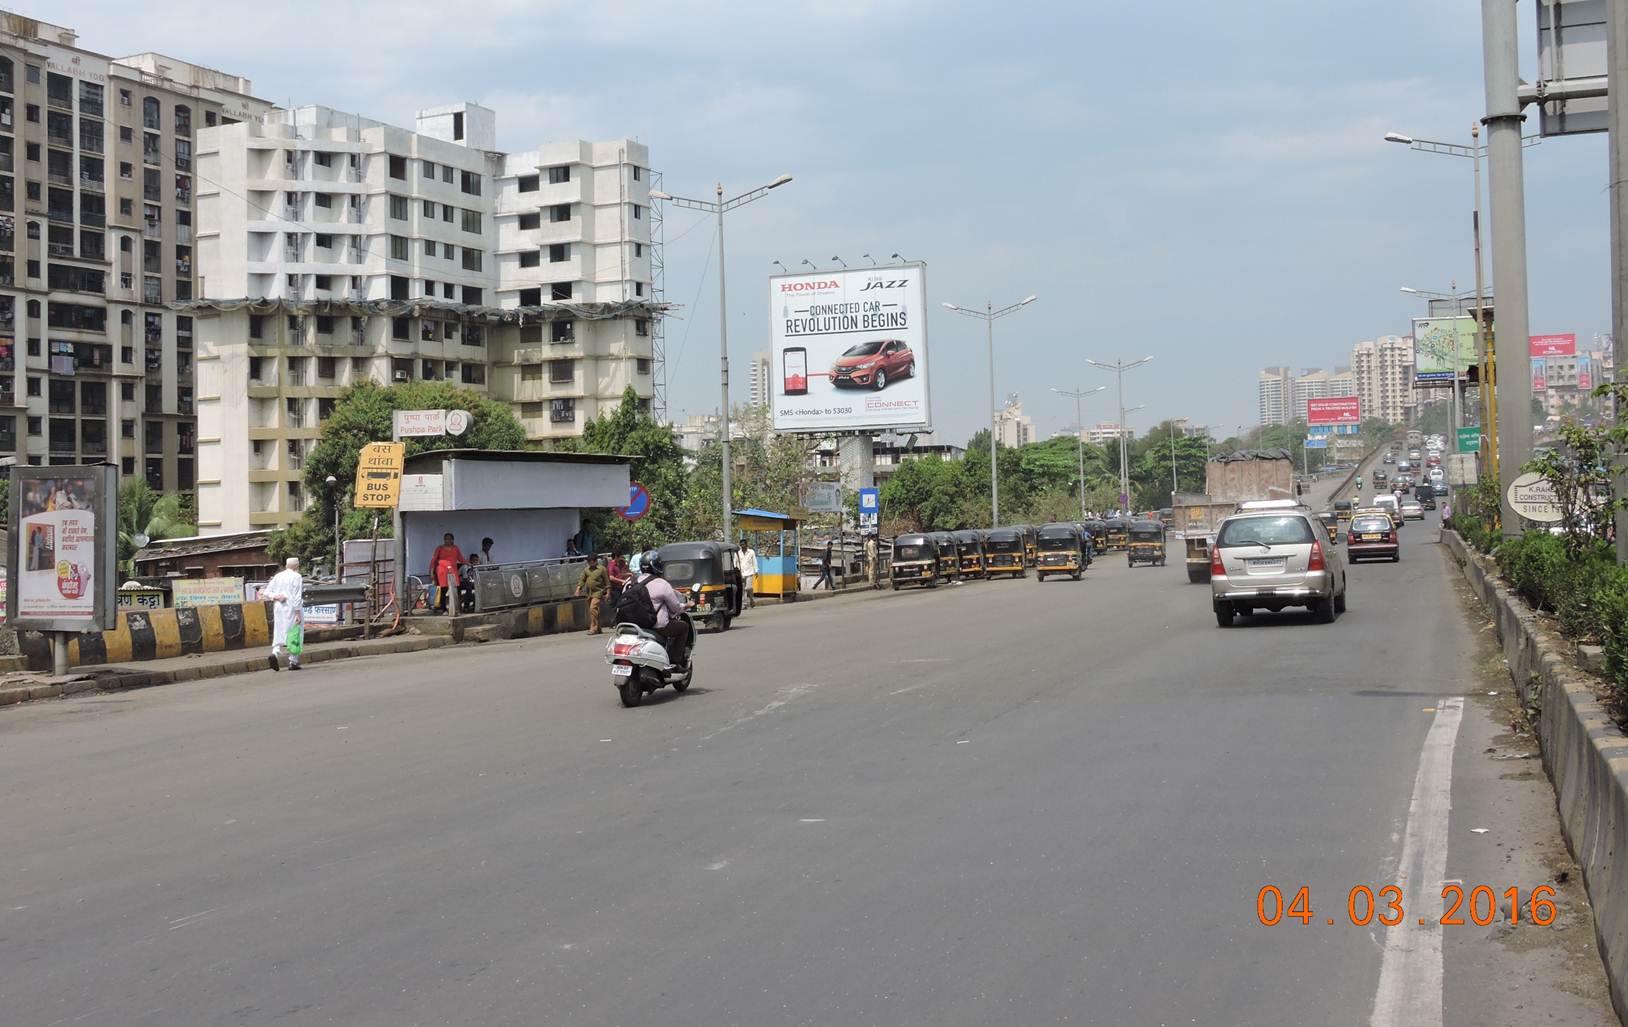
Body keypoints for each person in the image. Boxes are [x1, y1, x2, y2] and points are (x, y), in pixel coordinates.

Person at [637, 551, 688, 666]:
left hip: (634, 625)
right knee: (684, 627)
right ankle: (676, 662)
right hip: (657, 626)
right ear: (657, 566)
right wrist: (686, 605)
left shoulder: (630, 582)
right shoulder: (662, 584)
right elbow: (675, 608)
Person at [263, 556, 305, 672]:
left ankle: (275, 653)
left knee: (279, 631)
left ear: (286, 565)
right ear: (297, 566)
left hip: (279, 607)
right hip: (292, 607)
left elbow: (266, 592)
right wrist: (297, 613)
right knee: (295, 633)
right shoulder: (297, 576)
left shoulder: (278, 576)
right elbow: (297, 596)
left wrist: (275, 596)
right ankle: (293, 661)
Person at [429, 533, 466, 614]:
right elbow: (433, 560)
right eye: (446, 539)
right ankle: (444, 609)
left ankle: (457, 608)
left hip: (453, 570)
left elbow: (461, 558)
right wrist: (431, 572)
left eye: (449, 539)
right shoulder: (439, 548)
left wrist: (468, 563)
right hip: (442, 571)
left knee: (456, 589)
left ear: (453, 540)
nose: (447, 540)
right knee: (444, 589)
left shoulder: (455, 548)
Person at [576, 553, 610, 634]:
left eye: (591, 561)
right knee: (593, 611)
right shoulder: (586, 570)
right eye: (588, 562)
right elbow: (582, 580)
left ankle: (593, 628)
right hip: (589, 593)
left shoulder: (602, 569)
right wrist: (578, 589)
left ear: (595, 561)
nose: (589, 563)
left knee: (593, 608)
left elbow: (607, 582)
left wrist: (608, 593)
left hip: (598, 592)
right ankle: (598, 628)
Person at [739, 540, 758, 609]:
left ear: (746, 545)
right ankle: (744, 604)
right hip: (741, 573)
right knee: (743, 589)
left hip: (749, 572)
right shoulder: (738, 553)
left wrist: (756, 571)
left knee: (748, 587)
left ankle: (751, 600)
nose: (742, 546)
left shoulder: (751, 552)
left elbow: (754, 562)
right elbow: (736, 563)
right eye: (741, 545)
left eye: (743, 544)